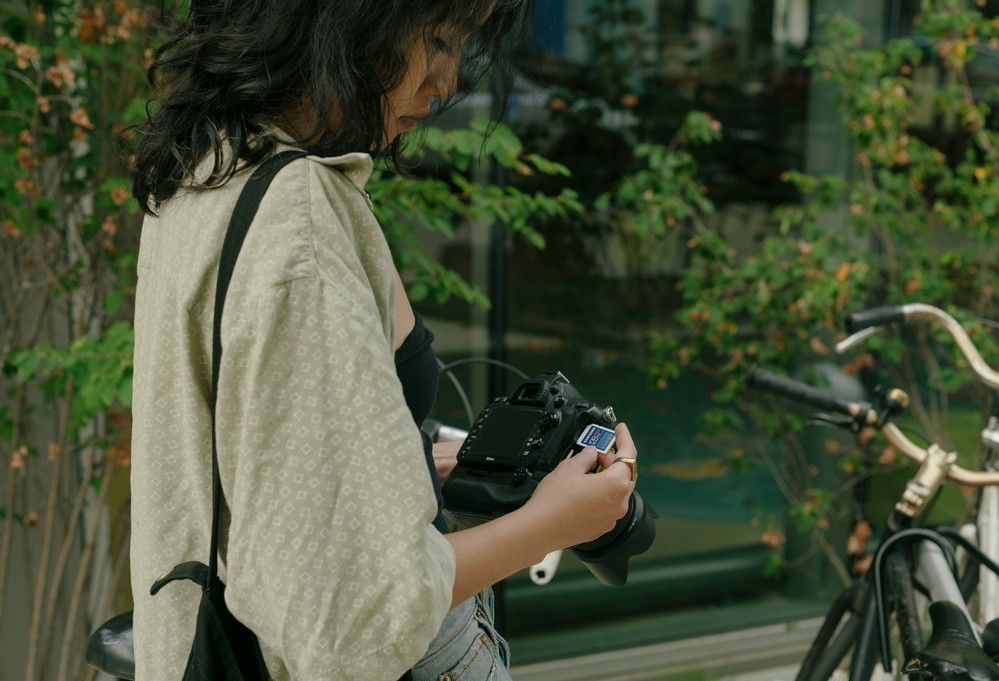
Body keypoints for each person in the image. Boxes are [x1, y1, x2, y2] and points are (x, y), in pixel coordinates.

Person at [128, 1, 640, 679]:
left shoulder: (215, 162)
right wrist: (557, 519)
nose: (448, 80)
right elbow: (359, 616)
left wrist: (421, 465)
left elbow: (257, 458)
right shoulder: (298, 223)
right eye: (436, 39)